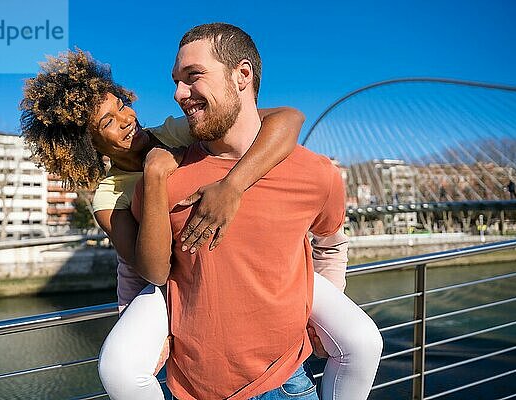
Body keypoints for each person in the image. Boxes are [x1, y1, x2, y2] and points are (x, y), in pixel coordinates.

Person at [20, 48, 381, 400]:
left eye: (121, 106)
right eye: (107, 123)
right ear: (88, 144)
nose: (127, 120)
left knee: (363, 341)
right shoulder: (109, 197)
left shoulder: (174, 132)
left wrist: (232, 185)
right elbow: (151, 272)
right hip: (171, 287)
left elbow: (287, 117)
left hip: (258, 291)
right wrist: (156, 176)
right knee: (118, 371)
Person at [131, 23, 382, 400]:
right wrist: (142, 335)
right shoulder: (164, 178)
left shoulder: (317, 174)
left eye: (192, 76)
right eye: (176, 81)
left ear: (242, 75)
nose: (178, 94)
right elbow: (134, 264)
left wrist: (320, 315)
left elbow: (329, 245)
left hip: (286, 385)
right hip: (187, 390)